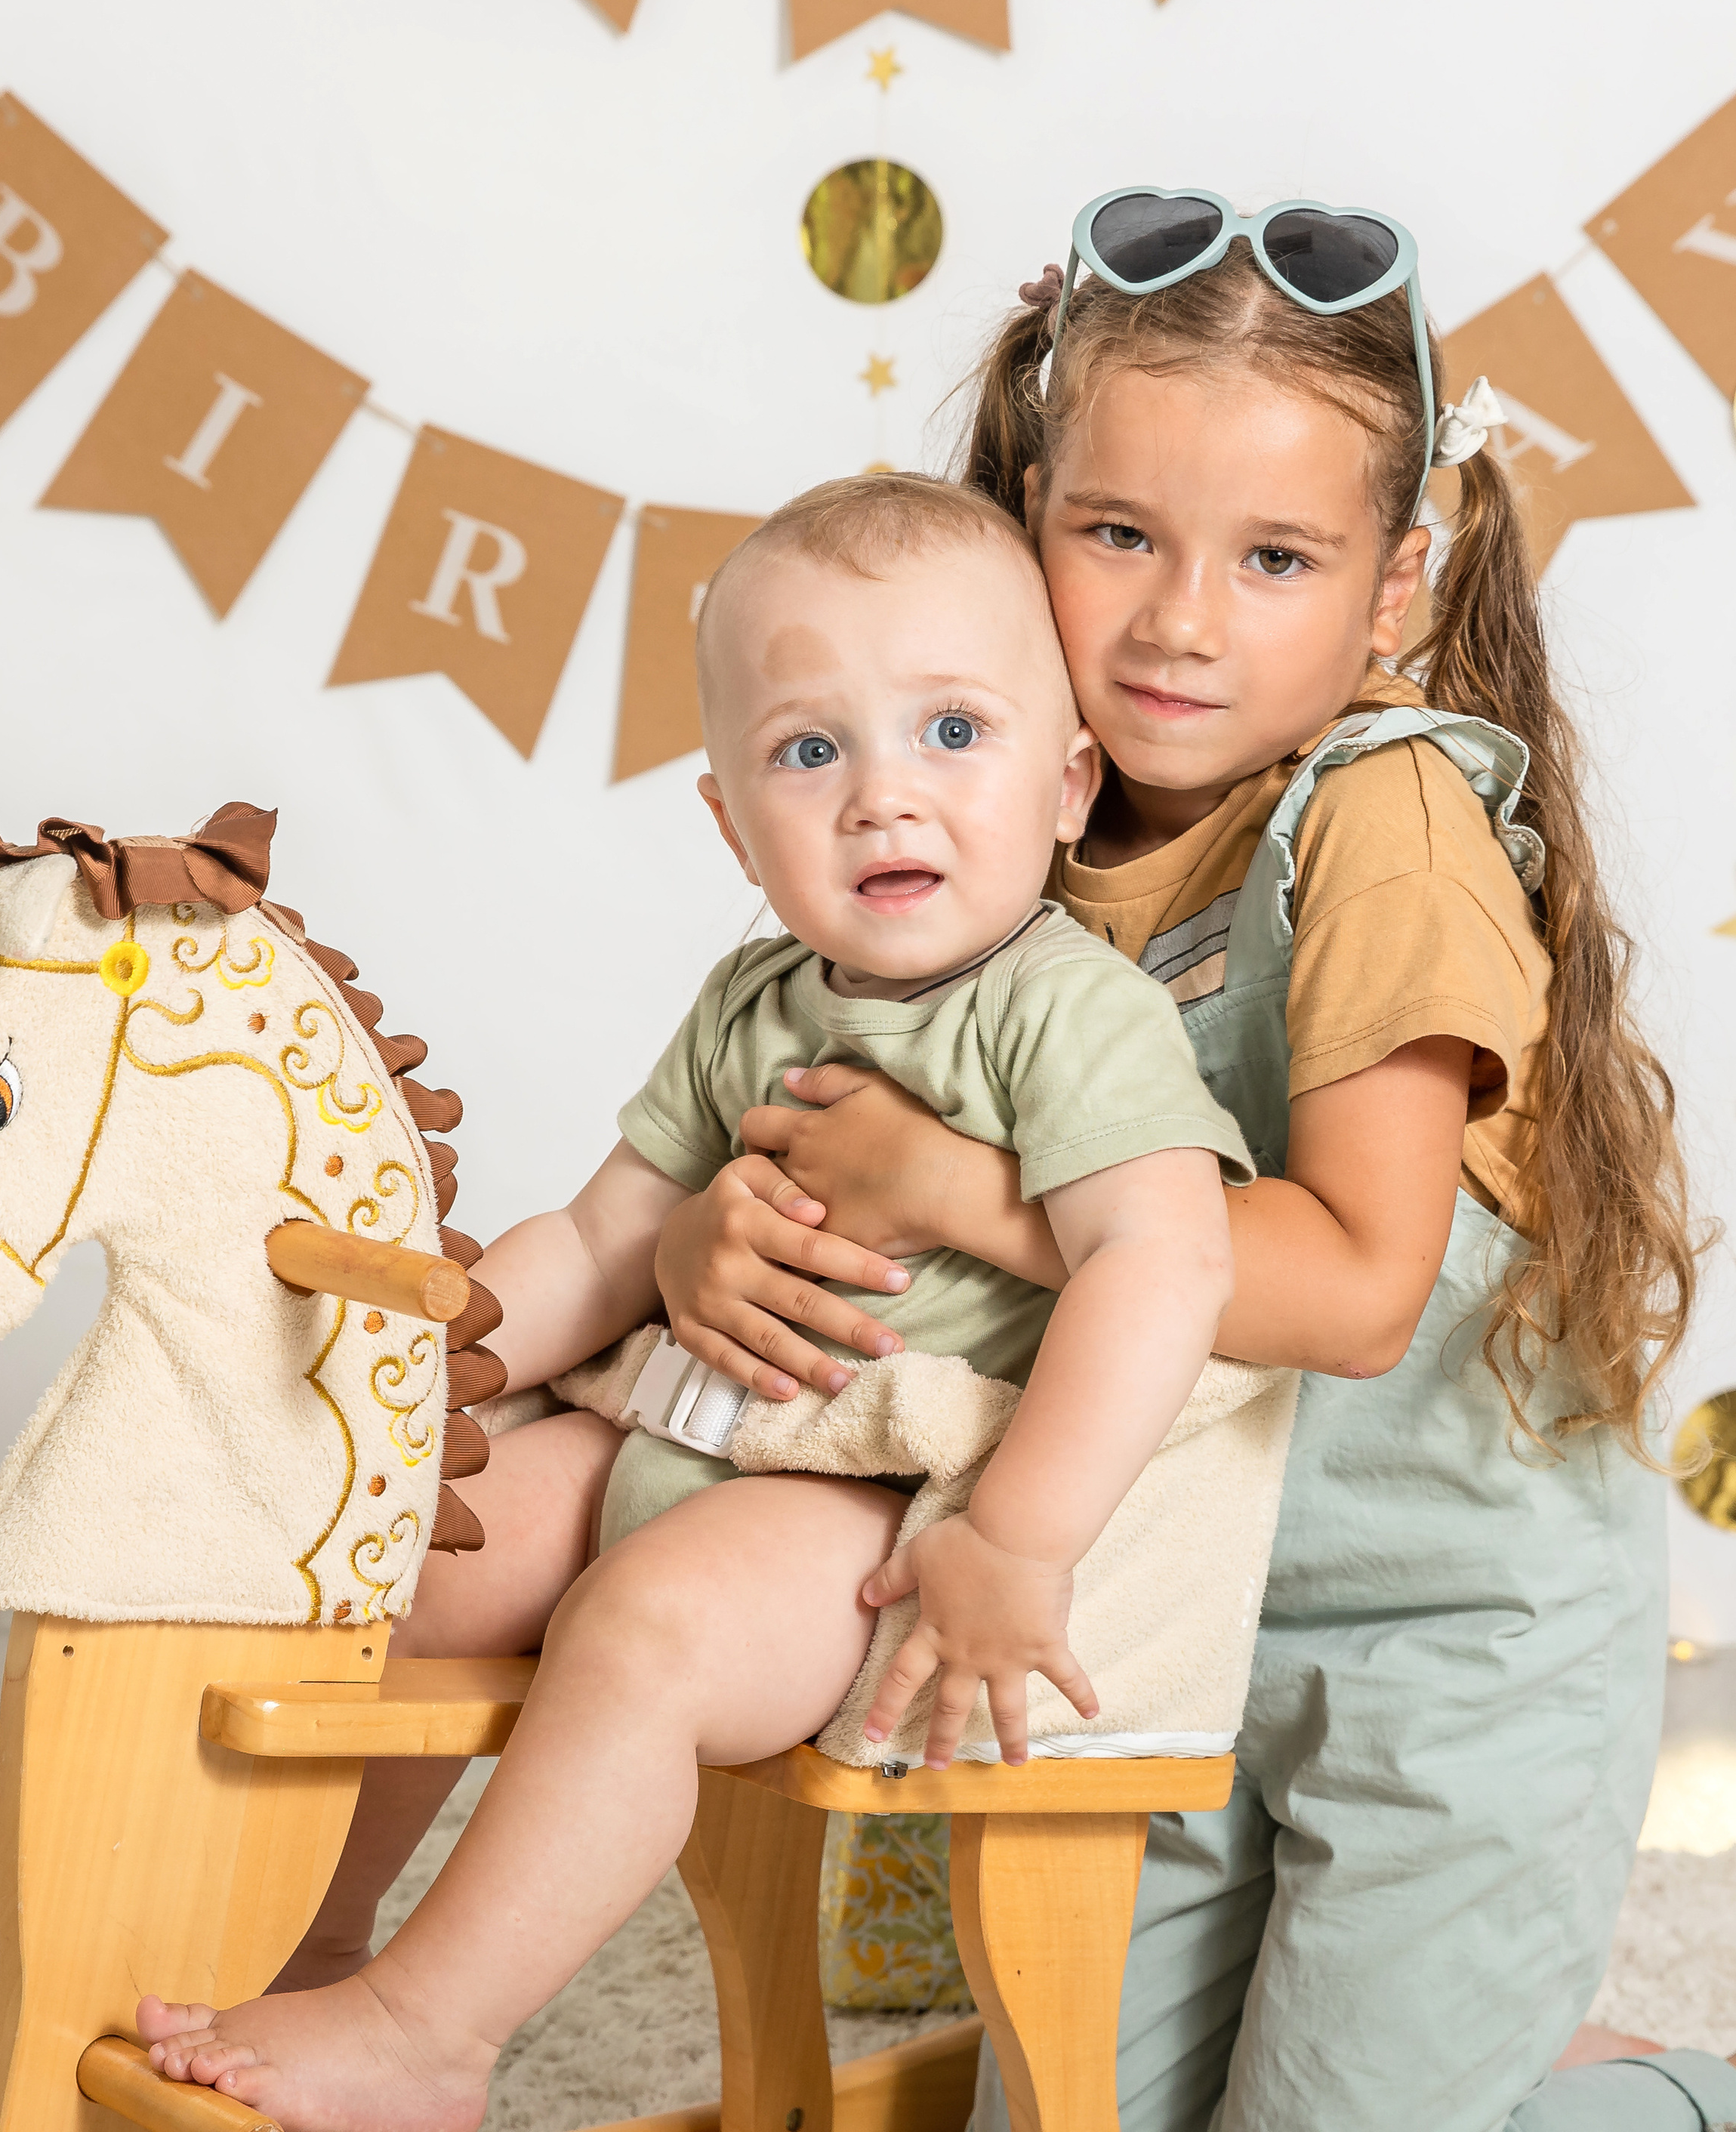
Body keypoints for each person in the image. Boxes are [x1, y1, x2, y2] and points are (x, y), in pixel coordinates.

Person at [655, 191, 1717, 2130]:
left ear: (1389, 592)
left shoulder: (1381, 824)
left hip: (1448, 1653)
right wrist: (707, 1242)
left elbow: (1358, 1285)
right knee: (1059, 2110)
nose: (1176, 620)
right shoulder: (991, 805)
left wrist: (948, 1190)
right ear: (1022, 520)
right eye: (1117, 534)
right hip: (1154, 1610)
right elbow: (796, 1119)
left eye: (1274, 558)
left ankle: (1651, 2098)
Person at [139, 471, 1257, 2132]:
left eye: (953, 731)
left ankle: (431, 2035)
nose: (883, 797)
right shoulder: (755, 998)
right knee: (416, 1543)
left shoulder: (1066, 1013)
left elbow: (1163, 1262)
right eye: (811, 752)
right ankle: (313, 1946)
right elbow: (606, 1238)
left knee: (643, 1630)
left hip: (880, 1506)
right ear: (732, 823)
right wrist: (415, 1383)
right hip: (695, 1428)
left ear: (1067, 778)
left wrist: (1017, 1540)